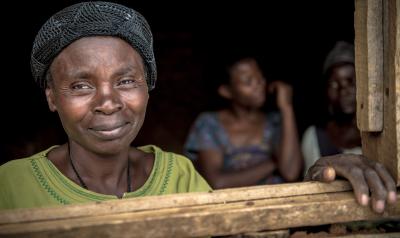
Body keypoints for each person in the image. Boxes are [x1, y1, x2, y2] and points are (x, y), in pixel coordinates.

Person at [0, 2, 396, 215]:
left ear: (148, 88)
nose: (108, 102)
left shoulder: (178, 174)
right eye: (81, 85)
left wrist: (319, 179)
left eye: (126, 81)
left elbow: (237, 221)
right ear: (52, 97)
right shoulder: (10, 188)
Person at [184, 57, 302, 188]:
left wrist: (286, 108)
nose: (259, 84)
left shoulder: (275, 121)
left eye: (260, 77)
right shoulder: (210, 124)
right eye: (248, 81)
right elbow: (216, 182)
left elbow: (291, 173)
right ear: (226, 91)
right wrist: (274, 162)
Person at [302, 41, 361, 173]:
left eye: (350, 81)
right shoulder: (315, 136)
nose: (343, 90)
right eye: (334, 84)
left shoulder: (383, 135)